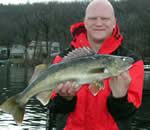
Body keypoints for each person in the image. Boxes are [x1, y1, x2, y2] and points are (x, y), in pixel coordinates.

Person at [48, 0, 144, 129]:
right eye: (93, 18)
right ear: (85, 21)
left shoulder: (133, 62)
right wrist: (65, 99)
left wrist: (119, 98)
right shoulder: (63, 59)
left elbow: (129, 114)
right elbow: (54, 108)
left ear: (114, 21)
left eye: (105, 18)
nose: (99, 23)